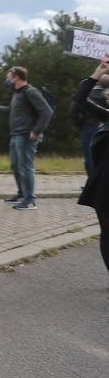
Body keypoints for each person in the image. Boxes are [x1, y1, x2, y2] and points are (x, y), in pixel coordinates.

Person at [0, 66, 52, 210]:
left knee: (25, 167)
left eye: (9, 76)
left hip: (26, 135)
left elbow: (47, 112)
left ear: (16, 77)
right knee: (16, 166)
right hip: (16, 134)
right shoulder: (18, 93)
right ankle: (22, 194)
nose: (7, 79)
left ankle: (30, 200)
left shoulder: (31, 92)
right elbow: (10, 110)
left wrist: (36, 132)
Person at [74, 56, 109, 279]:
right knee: (107, 233)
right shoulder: (106, 116)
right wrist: (97, 74)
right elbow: (79, 98)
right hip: (104, 183)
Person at [69, 73, 109, 177]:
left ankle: (92, 180)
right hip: (101, 127)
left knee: (90, 156)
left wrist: (79, 125)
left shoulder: (89, 94)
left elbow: (74, 109)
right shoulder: (105, 108)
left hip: (89, 126)